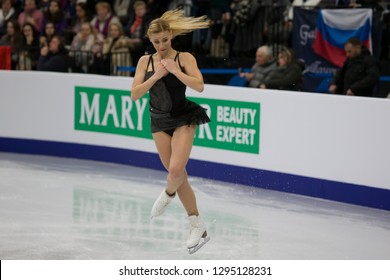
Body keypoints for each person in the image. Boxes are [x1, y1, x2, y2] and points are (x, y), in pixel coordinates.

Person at [130, 9, 211, 254]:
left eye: (165, 39)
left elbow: (199, 86)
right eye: (157, 41)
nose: (162, 45)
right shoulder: (146, 61)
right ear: (150, 41)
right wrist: (157, 76)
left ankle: (167, 195)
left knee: (175, 171)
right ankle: (198, 226)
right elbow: (135, 94)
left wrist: (175, 71)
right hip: (158, 121)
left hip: (184, 118)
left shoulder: (184, 58)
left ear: (171, 35)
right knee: (179, 175)